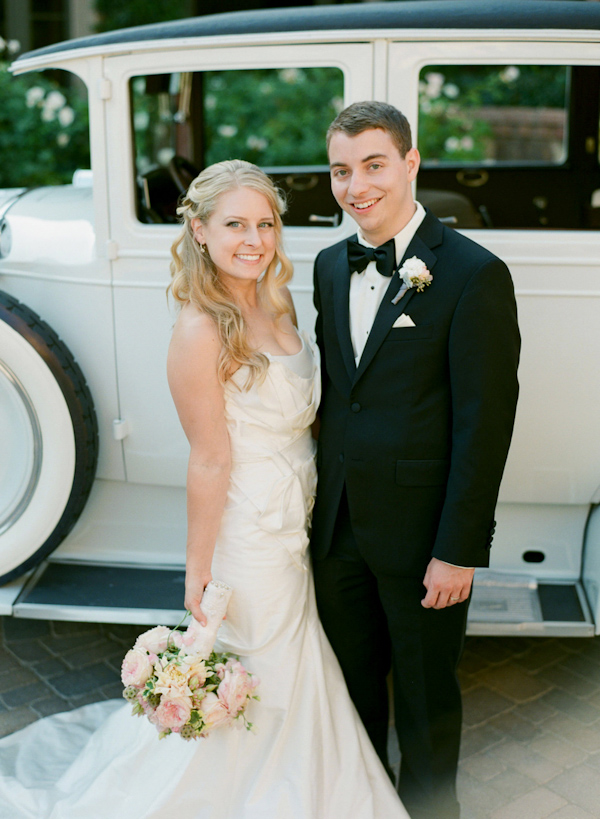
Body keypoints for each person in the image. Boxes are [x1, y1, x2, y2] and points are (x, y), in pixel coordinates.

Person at [0, 159, 408, 819]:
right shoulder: (198, 329)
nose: (255, 239)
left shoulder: (276, 296)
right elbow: (210, 459)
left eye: (266, 223)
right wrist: (197, 569)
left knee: (295, 652)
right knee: (267, 664)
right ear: (198, 230)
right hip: (247, 523)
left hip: (299, 509)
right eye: (235, 224)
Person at [311, 102, 520, 819]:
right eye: (342, 170)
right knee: (352, 697)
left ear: (411, 163)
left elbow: (484, 426)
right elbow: (343, 396)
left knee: (428, 707)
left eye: (373, 165)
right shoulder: (326, 264)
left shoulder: (473, 273)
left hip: (425, 538)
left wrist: (458, 549)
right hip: (337, 529)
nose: (355, 186)